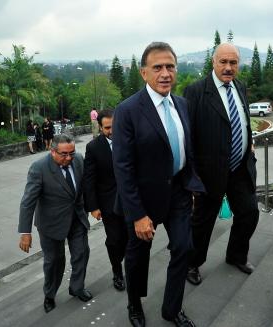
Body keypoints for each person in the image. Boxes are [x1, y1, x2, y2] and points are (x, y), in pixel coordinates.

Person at [112, 42, 204, 327]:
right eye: (158, 68)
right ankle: (134, 305)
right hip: (142, 199)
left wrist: (190, 186)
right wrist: (138, 215)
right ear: (143, 73)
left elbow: (189, 149)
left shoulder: (182, 104)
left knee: (184, 248)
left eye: (170, 67)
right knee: (138, 258)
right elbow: (123, 168)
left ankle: (171, 309)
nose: (165, 73)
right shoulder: (127, 111)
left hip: (177, 191)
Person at [183, 43, 260, 285]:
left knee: (249, 213)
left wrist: (248, 143)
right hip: (209, 173)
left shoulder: (240, 87)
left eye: (233, 63)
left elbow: (242, 122)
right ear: (213, 62)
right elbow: (188, 137)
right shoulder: (195, 91)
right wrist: (192, 178)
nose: (228, 68)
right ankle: (192, 264)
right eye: (223, 62)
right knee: (202, 222)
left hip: (240, 168)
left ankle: (236, 256)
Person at [18, 133, 92, 313]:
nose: (69, 158)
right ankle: (49, 294)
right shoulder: (39, 168)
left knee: (81, 253)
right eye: (64, 154)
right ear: (52, 151)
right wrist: (25, 232)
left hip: (76, 219)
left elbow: (85, 187)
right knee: (54, 262)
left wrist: (93, 207)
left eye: (71, 153)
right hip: (51, 223)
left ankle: (77, 288)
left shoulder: (79, 160)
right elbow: (28, 201)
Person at [83, 109, 128, 292]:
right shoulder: (93, 148)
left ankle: (127, 262)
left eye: (114, 126)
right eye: (108, 127)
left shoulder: (129, 139)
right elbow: (89, 179)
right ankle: (117, 272)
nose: (112, 131)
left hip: (130, 199)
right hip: (108, 202)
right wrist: (93, 207)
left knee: (128, 238)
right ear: (100, 128)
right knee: (114, 240)